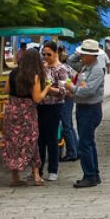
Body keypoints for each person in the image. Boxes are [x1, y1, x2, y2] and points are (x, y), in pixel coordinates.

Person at [3, 48, 48, 186]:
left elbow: (6, 91)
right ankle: (36, 176)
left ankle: (15, 176)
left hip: (12, 112)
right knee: (31, 142)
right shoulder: (34, 76)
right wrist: (47, 88)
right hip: (28, 113)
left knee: (13, 143)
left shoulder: (13, 73)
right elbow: (37, 98)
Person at [68, 38, 106, 188]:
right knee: (89, 142)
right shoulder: (85, 65)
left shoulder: (96, 70)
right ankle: (93, 174)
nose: (81, 56)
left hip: (90, 109)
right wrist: (78, 52)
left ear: (92, 55)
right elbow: (71, 61)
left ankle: (89, 175)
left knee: (84, 143)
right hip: (84, 108)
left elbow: (88, 91)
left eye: (84, 54)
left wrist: (71, 88)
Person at [39, 41, 73, 181]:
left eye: (49, 54)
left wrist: (48, 89)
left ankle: (53, 169)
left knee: (52, 137)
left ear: (56, 53)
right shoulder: (42, 67)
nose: (46, 57)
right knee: (39, 138)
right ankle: (38, 169)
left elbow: (64, 91)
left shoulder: (61, 69)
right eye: (44, 54)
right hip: (40, 104)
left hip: (55, 106)